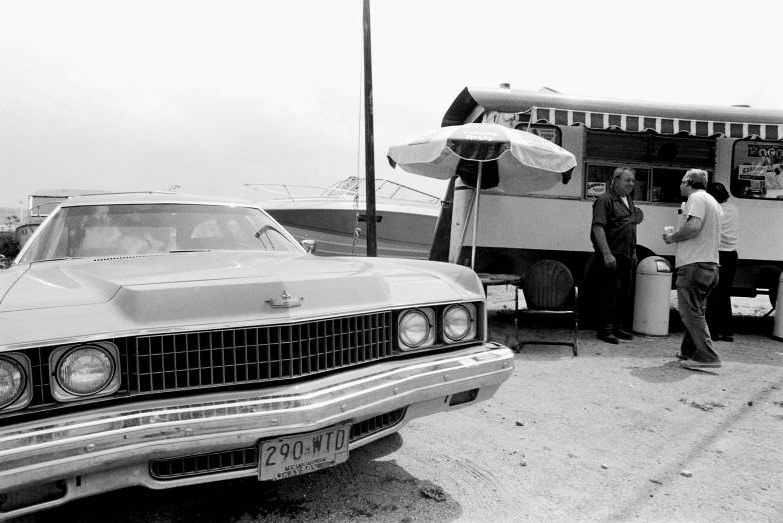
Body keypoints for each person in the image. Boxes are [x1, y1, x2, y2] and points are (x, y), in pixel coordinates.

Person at [663, 169, 724, 370]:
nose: (680, 185)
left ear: (689, 182)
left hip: (694, 263)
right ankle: (689, 351)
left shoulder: (696, 199)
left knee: (690, 313)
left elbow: (694, 227)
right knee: (696, 311)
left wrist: (672, 237)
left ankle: (708, 356)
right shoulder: (713, 202)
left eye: (682, 181)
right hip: (710, 263)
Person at [590, 166, 643, 344]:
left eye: (633, 180)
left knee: (623, 294)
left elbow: (631, 227)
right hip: (612, 255)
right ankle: (604, 330)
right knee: (609, 294)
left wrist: (634, 252)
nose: (631, 183)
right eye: (627, 180)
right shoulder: (605, 200)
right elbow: (598, 227)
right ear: (615, 181)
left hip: (627, 255)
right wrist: (606, 254)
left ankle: (617, 327)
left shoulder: (628, 200)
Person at [706, 182, 739, 342]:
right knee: (725, 294)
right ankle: (727, 332)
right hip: (732, 254)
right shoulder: (733, 209)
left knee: (713, 293)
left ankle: (713, 332)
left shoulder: (714, 210)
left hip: (717, 254)